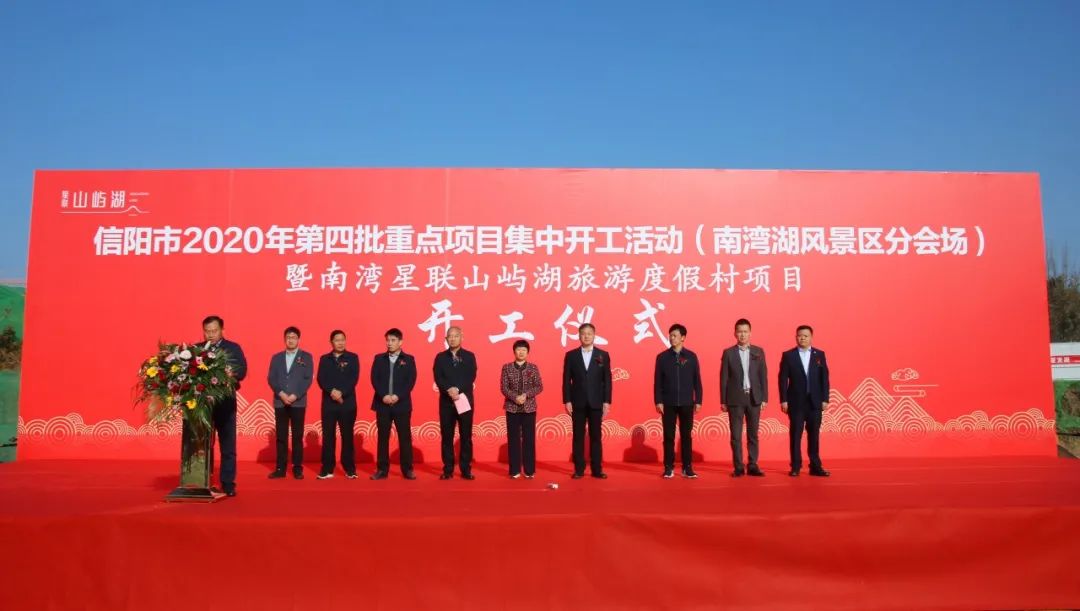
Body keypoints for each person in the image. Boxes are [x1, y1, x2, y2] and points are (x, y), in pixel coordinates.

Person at [201, 315, 248, 497]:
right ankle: (203, 480)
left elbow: (242, 370)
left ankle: (228, 483)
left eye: (214, 330)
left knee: (228, 445)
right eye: (207, 331)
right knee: (203, 445)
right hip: (203, 405)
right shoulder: (197, 350)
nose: (211, 334)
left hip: (225, 402)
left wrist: (229, 373)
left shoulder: (232, 348)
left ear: (222, 330)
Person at [778, 325, 831, 477]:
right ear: (796, 337)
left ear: (811, 337)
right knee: (796, 435)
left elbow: (824, 379)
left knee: (814, 435)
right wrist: (784, 400)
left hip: (815, 402)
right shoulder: (788, 355)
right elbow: (782, 379)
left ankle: (815, 466)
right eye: (800, 335)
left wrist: (825, 399)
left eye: (805, 336)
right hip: (796, 403)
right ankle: (795, 466)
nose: (802, 338)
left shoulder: (819, 355)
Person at [562, 323, 612, 479]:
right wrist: (567, 400)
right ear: (579, 336)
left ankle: (597, 469)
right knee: (578, 437)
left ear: (594, 335)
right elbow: (566, 380)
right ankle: (579, 469)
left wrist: (607, 401)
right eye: (583, 333)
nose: (586, 336)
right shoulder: (571, 355)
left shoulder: (602, 355)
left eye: (589, 333)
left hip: (597, 402)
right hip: (577, 402)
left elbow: (607, 380)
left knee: (596, 436)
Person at [653, 323, 703, 479]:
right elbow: (657, 382)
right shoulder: (662, 357)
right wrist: (658, 401)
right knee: (668, 436)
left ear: (683, 338)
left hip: (687, 402)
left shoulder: (691, 356)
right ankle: (668, 467)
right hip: (668, 402)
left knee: (686, 436)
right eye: (670, 335)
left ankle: (687, 467)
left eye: (675, 335)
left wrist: (698, 400)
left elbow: (697, 380)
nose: (671, 338)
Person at [720, 318, 768, 477]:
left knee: (753, 435)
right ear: (735, 333)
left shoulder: (758, 351)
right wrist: (723, 400)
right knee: (736, 435)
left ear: (750, 333)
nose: (742, 334)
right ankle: (738, 467)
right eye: (739, 331)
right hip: (735, 399)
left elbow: (763, 376)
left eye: (745, 331)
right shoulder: (728, 353)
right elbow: (724, 378)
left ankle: (753, 465)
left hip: (754, 398)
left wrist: (764, 398)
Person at [369, 328, 417, 480]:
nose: (389, 343)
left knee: (404, 437)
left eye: (393, 340)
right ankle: (382, 470)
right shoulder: (379, 359)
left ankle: (407, 469)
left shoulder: (409, 359)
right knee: (383, 438)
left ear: (400, 342)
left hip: (401, 404)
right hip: (382, 403)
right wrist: (383, 395)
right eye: (388, 340)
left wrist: (398, 395)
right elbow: (374, 379)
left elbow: (410, 381)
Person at [266, 326, 314, 479]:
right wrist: (281, 393)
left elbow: (308, 379)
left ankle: (297, 468)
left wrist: (295, 395)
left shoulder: (306, 357)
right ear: (284, 339)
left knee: (297, 436)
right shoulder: (276, 357)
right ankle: (280, 468)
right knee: (281, 436)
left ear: (298, 339)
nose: (291, 340)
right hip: (280, 401)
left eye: (293, 337)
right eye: (288, 337)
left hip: (298, 402)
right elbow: (271, 378)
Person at [433, 326, 478, 480]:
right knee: (447, 437)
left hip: (464, 401)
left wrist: (457, 389)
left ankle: (466, 469)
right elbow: (438, 377)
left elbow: (470, 376)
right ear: (446, 339)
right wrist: (449, 389)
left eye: (455, 336)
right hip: (446, 402)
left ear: (461, 337)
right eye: (449, 336)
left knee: (466, 436)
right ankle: (448, 469)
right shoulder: (440, 357)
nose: (452, 339)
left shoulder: (469, 356)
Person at [316, 329, 361, 479]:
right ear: (331, 342)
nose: (340, 343)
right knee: (328, 436)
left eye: (342, 340)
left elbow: (353, 378)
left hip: (347, 404)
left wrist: (342, 393)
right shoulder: (324, 359)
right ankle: (327, 468)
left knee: (347, 436)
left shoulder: (353, 358)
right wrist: (332, 392)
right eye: (337, 340)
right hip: (329, 404)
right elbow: (321, 379)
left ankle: (350, 468)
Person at [499, 339, 544, 479]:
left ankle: (529, 471)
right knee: (513, 440)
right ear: (514, 351)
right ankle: (515, 470)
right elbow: (504, 387)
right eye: (518, 349)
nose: (521, 352)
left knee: (529, 440)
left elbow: (539, 386)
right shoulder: (506, 367)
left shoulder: (533, 368)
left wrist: (526, 395)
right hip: (512, 408)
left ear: (527, 352)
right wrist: (515, 397)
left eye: (524, 350)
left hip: (529, 408)